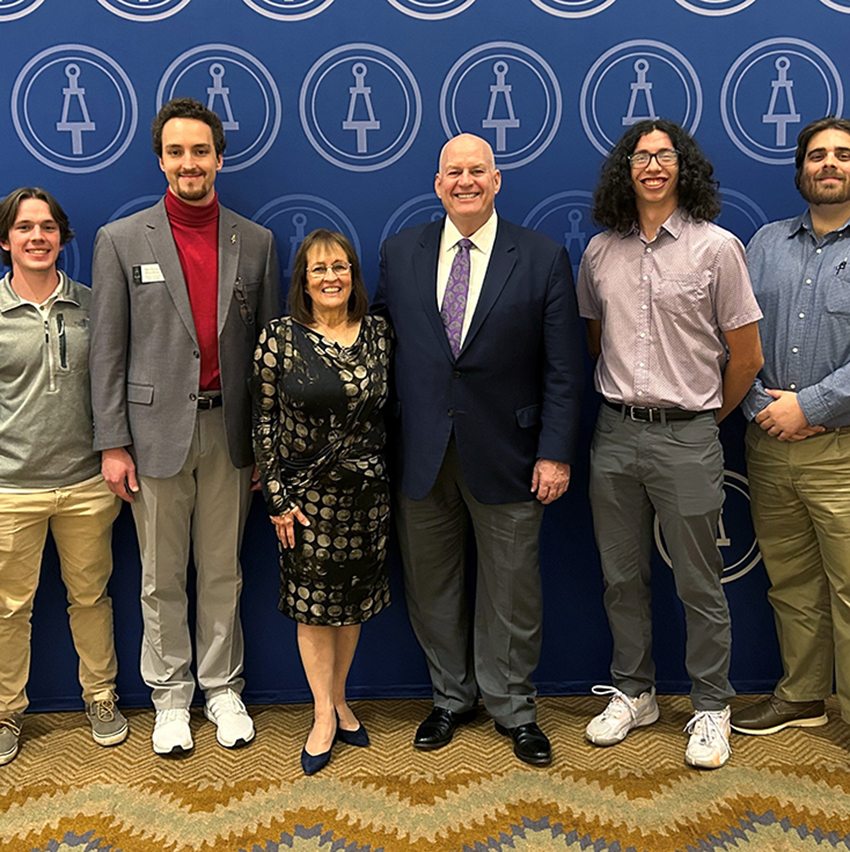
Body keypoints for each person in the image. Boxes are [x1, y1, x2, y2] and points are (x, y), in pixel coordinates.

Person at [373, 133, 584, 767]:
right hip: (422, 451)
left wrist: (555, 452)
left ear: (497, 181)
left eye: (477, 171)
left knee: (512, 589)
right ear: (437, 184)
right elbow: (381, 350)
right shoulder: (399, 251)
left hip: (513, 453)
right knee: (432, 585)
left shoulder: (542, 257)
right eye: (452, 172)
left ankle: (513, 707)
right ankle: (450, 698)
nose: (465, 181)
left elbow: (565, 369)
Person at [90, 98, 280, 755]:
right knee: (160, 575)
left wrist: (265, 447)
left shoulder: (254, 243)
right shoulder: (120, 240)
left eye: (201, 151)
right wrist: (112, 442)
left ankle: (222, 688)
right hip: (152, 438)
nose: (189, 163)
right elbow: (107, 351)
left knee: (223, 570)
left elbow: (268, 357)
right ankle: (171, 698)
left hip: (230, 436)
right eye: (176, 152)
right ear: (161, 160)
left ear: (219, 158)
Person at [577, 119, 764, 769]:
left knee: (699, 582)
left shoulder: (718, 249)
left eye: (663, 154)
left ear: (682, 166)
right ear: (623, 170)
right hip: (615, 434)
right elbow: (596, 340)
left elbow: (746, 356)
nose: (651, 164)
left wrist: (706, 419)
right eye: (639, 155)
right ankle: (636, 692)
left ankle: (712, 705)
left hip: (689, 435)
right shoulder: (600, 252)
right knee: (621, 578)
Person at [252, 229, 391, 775]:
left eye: (340, 267)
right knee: (313, 605)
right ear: (302, 282)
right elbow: (262, 422)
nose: (331, 277)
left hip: (367, 497)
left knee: (351, 602)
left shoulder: (380, 334)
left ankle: (338, 698)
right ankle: (321, 714)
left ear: (353, 274)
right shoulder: (279, 337)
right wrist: (278, 498)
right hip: (304, 501)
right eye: (318, 269)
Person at [731, 117, 850, 740]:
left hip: (842, 451)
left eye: (842, 155)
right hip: (768, 446)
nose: (829, 164)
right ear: (800, 168)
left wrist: (812, 406)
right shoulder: (765, 243)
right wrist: (758, 407)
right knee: (793, 584)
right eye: (817, 155)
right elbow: (732, 339)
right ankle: (802, 694)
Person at [0, 187, 125, 765]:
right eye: (25, 227)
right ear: (7, 241)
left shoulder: (96, 306)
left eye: (47, 227)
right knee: (8, 610)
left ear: (61, 237)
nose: (37, 237)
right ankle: (5, 712)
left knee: (91, 597)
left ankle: (101, 697)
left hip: (86, 485)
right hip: (11, 491)